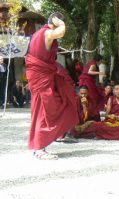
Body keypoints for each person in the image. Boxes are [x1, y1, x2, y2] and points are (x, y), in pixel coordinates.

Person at [25, 12, 79, 160]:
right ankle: (40, 148)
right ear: (54, 21)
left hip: (41, 76)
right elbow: (60, 32)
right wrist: (61, 24)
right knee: (46, 110)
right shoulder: (48, 32)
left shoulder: (37, 34)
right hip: (41, 77)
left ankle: (40, 144)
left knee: (42, 109)